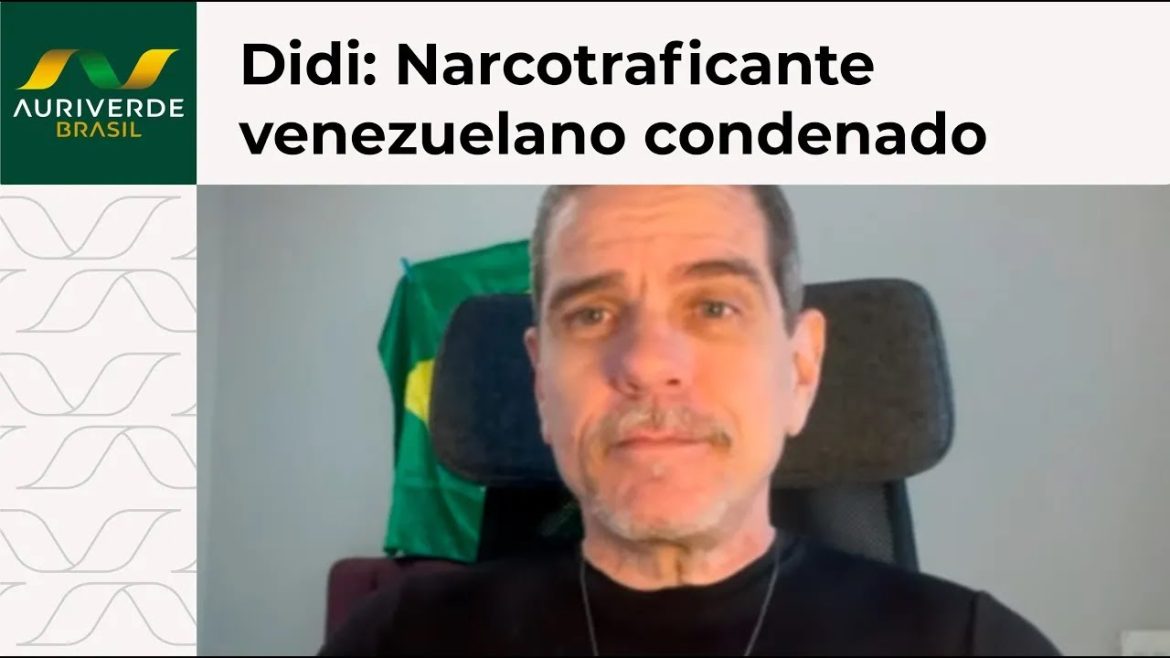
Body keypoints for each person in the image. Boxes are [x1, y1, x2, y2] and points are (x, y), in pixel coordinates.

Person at [320, 185, 1060, 656]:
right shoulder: (398, 641)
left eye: (713, 307)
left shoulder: (974, 647)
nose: (647, 362)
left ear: (801, 370)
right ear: (542, 383)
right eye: (593, 313)